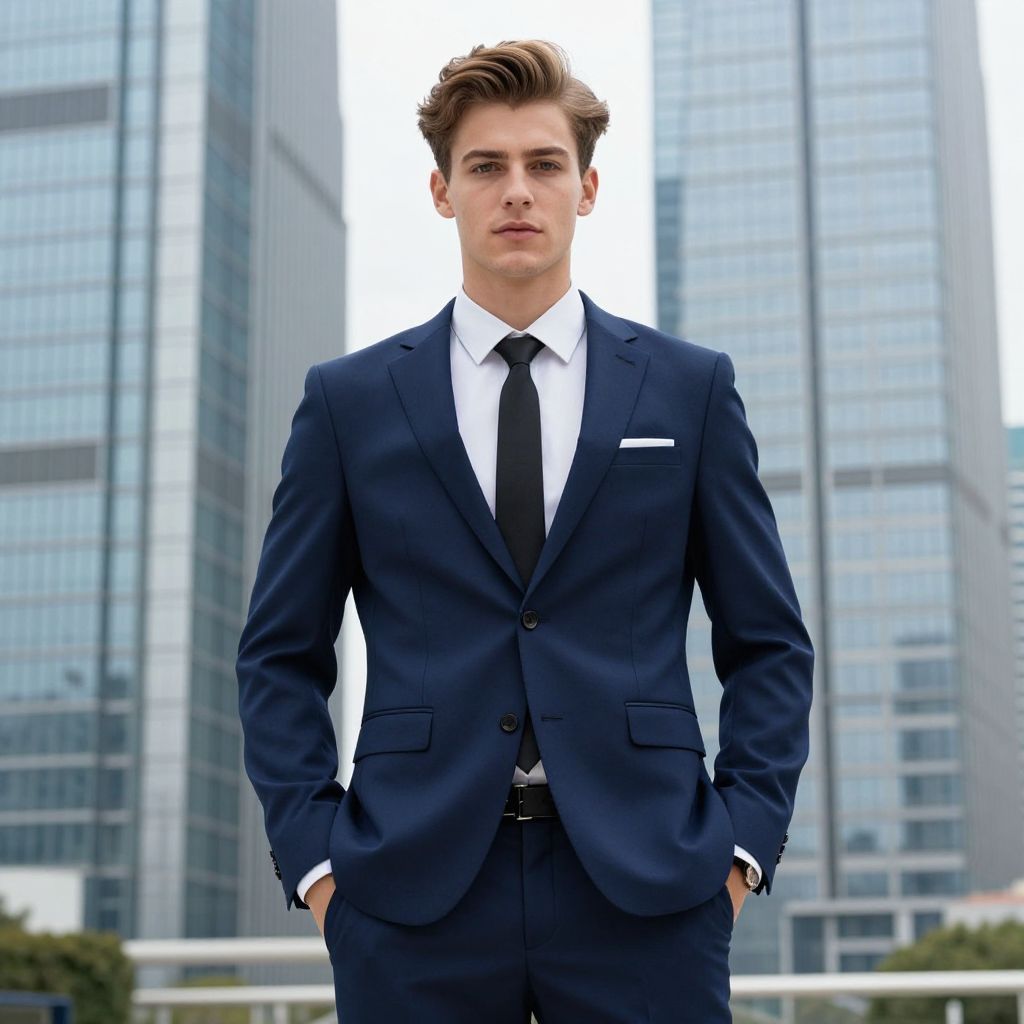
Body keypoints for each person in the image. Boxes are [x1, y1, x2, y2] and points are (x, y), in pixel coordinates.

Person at [236, 38, 814, 1023]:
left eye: (544, 164)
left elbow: (767, 643)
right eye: (486, 166)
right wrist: (320, 863)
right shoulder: (349, 402)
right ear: (440, 190)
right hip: (409, 894)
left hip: (650, 887)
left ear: (585, 188)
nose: (517, 190)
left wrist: (738, 848)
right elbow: (280, 656)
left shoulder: (688, 389)